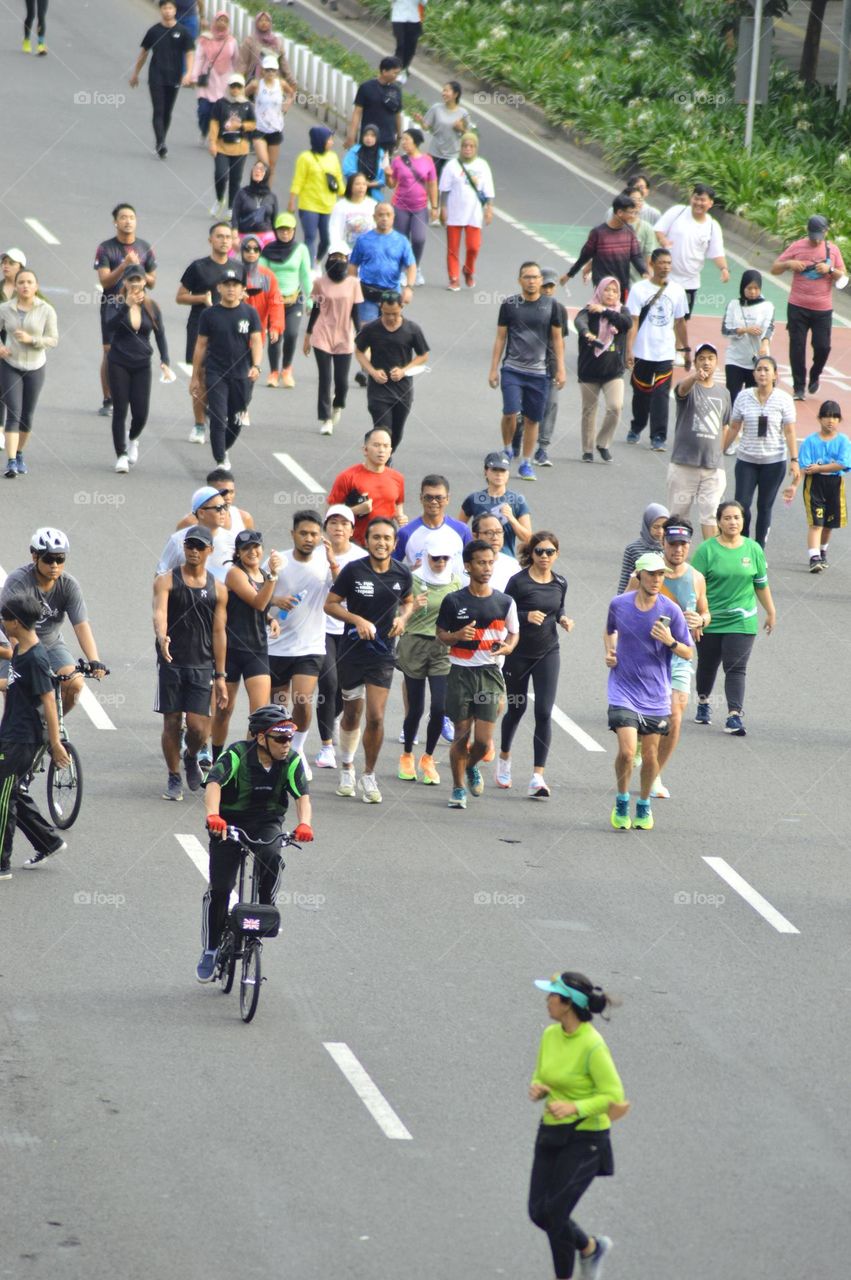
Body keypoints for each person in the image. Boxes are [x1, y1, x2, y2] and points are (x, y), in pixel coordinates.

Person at [197, 706, 313, 983]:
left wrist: (304, 823)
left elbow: (302, 797)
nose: (287, 744)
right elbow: (214, 784)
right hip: (228, 822)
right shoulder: (236, 754)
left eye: (290, 738)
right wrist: (213, 815)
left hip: (266, 821)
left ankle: (266, 906)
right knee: (221, 888)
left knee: (272, 854)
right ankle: (211, 949)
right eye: (280, 738)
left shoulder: (292, 761)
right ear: (261, 737)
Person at [528, 971, 626, 1280]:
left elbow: (613, 1096)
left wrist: (574, 1106)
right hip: (552, 1132)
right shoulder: (549, 1035)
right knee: (538, 1212)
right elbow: (542, 1074)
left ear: (568, 1004)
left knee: (556, 1215)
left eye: (552, 995)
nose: (547, 1000)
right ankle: (590, 1248)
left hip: (586, 1138)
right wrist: (538, 1088)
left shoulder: (593, 1046)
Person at [324, 517, 414, 803]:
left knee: (375, 716)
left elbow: (409, 601)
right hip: (351, 651)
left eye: (387, 538)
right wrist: (356, 619)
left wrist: (403, 618)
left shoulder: (401, 573)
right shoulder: (353, 571)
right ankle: (347, 766)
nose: (381, 542)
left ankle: (369, 775)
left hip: (383, 654)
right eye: (376, 537)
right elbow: (331, 604)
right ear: (367, 540)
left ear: (395, 543)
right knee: (352, 713)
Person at [605, 552, 692, 831]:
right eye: (652, 574)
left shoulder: (671, 611)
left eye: (661, 574)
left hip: (655, 693)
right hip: (622, 688)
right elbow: (609, 630)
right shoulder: (619, 605)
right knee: (628, 752)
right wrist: (610, 651)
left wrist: (669, 641)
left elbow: (688, 652)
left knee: (651, 755)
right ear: (639, 575)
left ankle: (643, 803)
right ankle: (621, 799)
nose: (657, 579)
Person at [626, 518, 709, 800]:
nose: (677, 550)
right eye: (672, 544)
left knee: (675, 716)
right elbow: (623, 607)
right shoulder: (644, 574)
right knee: (643, 715)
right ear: (663, 543)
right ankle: (639, 743)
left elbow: (705, 613)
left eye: (683, 544)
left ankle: (655, 773)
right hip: (645, 655)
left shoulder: (696, 578)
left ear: (689, 545)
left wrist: (701, 619)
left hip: (678, 656)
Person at [436, 540, 519, 810]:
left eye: (490, 562)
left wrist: (509, 646)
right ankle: (458, 788)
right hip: (460, 673)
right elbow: (441, 635)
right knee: (461, 734)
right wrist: (457, 636)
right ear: (468, 566)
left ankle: (472, 766)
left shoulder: (504, 602)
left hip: (489, 674)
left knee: (483, 742)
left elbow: (514, 633)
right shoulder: (453, 600)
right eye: (481, 563)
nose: (486, 568)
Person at [153, 525, 228, 801]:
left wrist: (220, 676)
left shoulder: (218, 589)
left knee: (198, 728)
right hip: (171, 662)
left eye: (199, 546)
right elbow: (159, 613)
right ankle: (174, 777)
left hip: (202, 664)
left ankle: (191, 755)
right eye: (189, 546)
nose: (193, 551)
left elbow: (219, 633)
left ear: (209, 550)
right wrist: (162, 637)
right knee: (172, 721)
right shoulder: (166, 581)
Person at [497, 531, 573, 799]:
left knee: (543, 711)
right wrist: (525, 615)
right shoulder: (517, 582)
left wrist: (563, 619)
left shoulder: (560, 582)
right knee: (517, 709)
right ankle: (504, 756)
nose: (544, 556)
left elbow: (558, 609)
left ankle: (537, 777)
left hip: (548, 653)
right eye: (539, 551)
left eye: (549, 552)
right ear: (531, 553)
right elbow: (500, 613)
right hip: (518, 654)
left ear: (556, 555)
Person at [690, 500, 776, 736]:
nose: (732, 522)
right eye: (727, 518)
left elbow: (760, 583)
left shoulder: (753, 549)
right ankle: (704, 702)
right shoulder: (707, 550)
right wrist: (696, 619)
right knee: (707, 664)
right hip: (710, 618)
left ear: (743, 521)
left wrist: (770, 611)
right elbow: (694, 587)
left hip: (742, 619)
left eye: (737, 518)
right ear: (718, 522)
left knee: (736, 667)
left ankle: (734, 715)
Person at [1, 529, 107, 716]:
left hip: (50, 643)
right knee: (17, 692)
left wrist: (94, 660)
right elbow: (12, 626)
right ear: (35, 556)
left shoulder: (69, 585)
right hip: (14, 641)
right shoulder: (18, 581)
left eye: (60, 559)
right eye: (49, 559)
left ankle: (49, 730)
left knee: (74, 683)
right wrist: (20, 657)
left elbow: (81, 625)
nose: (55, 565)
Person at [0, 593, 69, 879]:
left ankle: (2, 863)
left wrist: (55, 744)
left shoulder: (37, 659)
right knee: (12, 791)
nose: (2, 623)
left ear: (15, 622)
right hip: (11, 732)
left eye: (5, 618)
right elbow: (16, 686)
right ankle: (48, 841)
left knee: (2, 797)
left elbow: (49, 701)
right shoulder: (21, 651)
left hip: (24, 738)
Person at [268, 512, 338, 776]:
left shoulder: (325, 564)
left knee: (302, 698)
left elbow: (341, 591)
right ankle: (278, 752)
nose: (309, 539)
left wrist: (333, 563)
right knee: (278, 705)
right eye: (303, 533)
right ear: (293, 534)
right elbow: (258, 596)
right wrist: (276, 601)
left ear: (320, 536)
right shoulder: (277, 561)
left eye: (314, 534)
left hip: (310, 646)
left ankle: (297, 751)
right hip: (276, 645)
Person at [488, 262, 566, 481]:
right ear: (519, 280)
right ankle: (507, 448)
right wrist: (493, 369)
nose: (531, 281)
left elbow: (558, 339)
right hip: (512, 369)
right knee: (510, 412)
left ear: (541, 280)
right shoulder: (509, 305)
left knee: (533, 420)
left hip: (539, 373)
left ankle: (526, 463)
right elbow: (500, 338)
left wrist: (561, 369)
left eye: (535, 277)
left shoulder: (552, 306)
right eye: (527, 277)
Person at [396, 526, 461, 786]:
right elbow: (396, 617)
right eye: (436, 558)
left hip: (442, 648)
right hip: (414, 645)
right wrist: (411, 607)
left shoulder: (455, 581)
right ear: (426, 556)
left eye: (445, 558)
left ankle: (428, 757)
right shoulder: (410, 579)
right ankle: (407, 755)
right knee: (416, 708)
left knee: (439, 707)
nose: (440, 562)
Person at [210, 530, 280, 758]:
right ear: (238, 553)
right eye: (246, 548)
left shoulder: (263, 575)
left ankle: (249, 761)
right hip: (231, 650)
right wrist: (273, 576)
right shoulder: (235, 574)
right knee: (223, 710)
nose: (252, 552)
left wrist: (270, 619)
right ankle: (217, 756)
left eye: (256, 547)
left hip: (257, 650)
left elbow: (259, 609)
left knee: (259, 714)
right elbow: (259, 602)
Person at [723, 355, 799, 547]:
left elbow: (790, 431)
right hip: (746, 460)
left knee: (764, 507)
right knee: (742, 505)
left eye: (767, 370)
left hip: (773, 463)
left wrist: (794, 460)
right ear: (754, 373)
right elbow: (734, 427)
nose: (762, 373)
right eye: (759, 369)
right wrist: (719, 451)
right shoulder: (744, 396)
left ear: (775, 375)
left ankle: (758, 550)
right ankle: (745, 544)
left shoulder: (784, 399)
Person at [770, 214, 847, 401]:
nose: (815, 239)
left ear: (826, 231)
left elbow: (843, 278)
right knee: (797, 346)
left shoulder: (833, 250)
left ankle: (815, 373)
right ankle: (798, 387)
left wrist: (829, 270)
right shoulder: (797, 246)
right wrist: (789, 264)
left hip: (822, 309)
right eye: (812, 235)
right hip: (797, 305)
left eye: (818, 235)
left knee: (823, 347)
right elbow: (774, 268)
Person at [191, 267, 263, 467]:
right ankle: (220, 459)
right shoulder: (209, 314)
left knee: (237, 419)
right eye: (227, 285)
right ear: (219, 288)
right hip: (216, 373)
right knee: (218, 416)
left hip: (242, 375)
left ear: (242, 289)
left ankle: (224, 447)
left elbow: (257, 341)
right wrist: (195, 376)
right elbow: (201, 345)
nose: (231, 289)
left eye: (235, 285)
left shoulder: (250, 313)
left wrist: (256, 366)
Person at [314, 506, 368, 770]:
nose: (338, 527)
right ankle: (326, 746)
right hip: (320, 626)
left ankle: (332, 720)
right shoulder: (314, 553)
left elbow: (348, 593)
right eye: (333, 522)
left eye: (344, 523)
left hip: (349, 628)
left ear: (352, 529)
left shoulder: (361, 559)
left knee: (344, 686)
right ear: (326, 527)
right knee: (329, 681)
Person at [103, 266, 171, 474]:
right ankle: (121, 455)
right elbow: (109, 327)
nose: (135, 284)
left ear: (144, 282)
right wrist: (127, 306)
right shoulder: (114, 303)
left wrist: (165, 360)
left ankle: (133, 439)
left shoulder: (151, 306)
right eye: (130, 280)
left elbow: (160, 334)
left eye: (138, 280)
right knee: (121, 410)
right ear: (124, 282)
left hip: (142, 363)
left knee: (141, 413)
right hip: (118, 362)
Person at [94, 203, 157, 419]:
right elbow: (104, 281)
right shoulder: (105, 248)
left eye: (131, 216)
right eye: (123, 217)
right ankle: (108, 399)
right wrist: (124, 266)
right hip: (113, 303)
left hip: (139, 303)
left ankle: (129, 392)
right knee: (109, 350)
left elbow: (153, 282)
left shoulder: (145, 248)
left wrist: (139, 269)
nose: (127, 221)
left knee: (135, 345)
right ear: (115, 222)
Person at [625, 248, 689, 451]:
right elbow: (633, 321)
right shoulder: (639, 289)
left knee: (661, 394)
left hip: (665, 352)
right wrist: (629, 350)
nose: (666, 267)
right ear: (651, 264)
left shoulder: (677, 290)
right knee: (641, 393)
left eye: (669, 263)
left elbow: (680, 322)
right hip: (643, 351)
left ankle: (658, 436)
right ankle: (637, 425)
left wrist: (686, 349)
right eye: (662, 262)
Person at [667, 342, 730, 540]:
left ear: (717, 363)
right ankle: (676, 562)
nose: (706, 362)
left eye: (710, 358)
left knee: (711, 515)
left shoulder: (724, 393)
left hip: (712, 467)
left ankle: (710, 563)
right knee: (679, 515)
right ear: (695, 362)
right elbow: (681, 391)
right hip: (684, 463)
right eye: (701, 358)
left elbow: (725, 426)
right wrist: (694, 377)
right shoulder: (688, 387)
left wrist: (718, 454)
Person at [177, 222, 234, 443]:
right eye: (219, 236)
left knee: (223, 375)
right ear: (211, 240)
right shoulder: (198, 267)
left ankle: (214, 410)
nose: (224, 240)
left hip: (227, 330)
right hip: (200, 327)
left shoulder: (238, 268)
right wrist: (201, 298)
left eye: (228, 237)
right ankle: (199, 425)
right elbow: (180, 296)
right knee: (200, 375)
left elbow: (243, 296)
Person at [0, 269, 58, 478]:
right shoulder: (5, 309)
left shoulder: (46, 310)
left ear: (36, 286)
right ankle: (11, 461)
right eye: (21, 282)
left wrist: (32, 340)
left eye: (29, 282)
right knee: (13, 412)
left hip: (35, 367)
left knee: (27, 416)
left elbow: (53, 339)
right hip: (10, 365)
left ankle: (20, 453)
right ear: (15, 286)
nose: (25, 285)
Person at [354, 292, 430, 451]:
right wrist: (372, 372)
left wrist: (404, 370)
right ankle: (383, 463)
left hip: (402, 389)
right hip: (378, 390)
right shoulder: (371, 329)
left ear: (402, 307)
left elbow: (423, 356)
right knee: (382, 430)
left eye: (395, 313)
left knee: (396, 433)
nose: (390, 317)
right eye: (386, 313)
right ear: (380, 308)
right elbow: (359, 352)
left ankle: (387, 457)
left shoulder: (412, 329)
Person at [782, 400, 851, 572]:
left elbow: (843, 463)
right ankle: (814, 557)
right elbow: (805, 468)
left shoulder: (843, 440)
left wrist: (820, 467)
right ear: (819, 419)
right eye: (827, 416)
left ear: (839, 420)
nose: (830, 420)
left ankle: (822, 551)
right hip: (815, 484)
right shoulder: (810, 442)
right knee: (816, 523)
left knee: (829, 525)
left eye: (835, 417)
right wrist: (794, 486)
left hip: (835, 484)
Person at [304, 242, 363, 435]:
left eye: (342, 258)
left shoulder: (354, 283)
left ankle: (338, 405)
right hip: (323, 333)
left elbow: (356, 311)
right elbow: (316, 308)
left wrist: (360, 336)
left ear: (347, 260)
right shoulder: (320, 282)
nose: (338, 261)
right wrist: (308, 334)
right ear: (328, 259)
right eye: (334, 257)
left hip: (344, 334)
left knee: (342, 381)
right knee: (325, 378)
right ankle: (326, 418)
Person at [573, 276, 631, 464]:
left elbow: (626, 324)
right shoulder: (589, 310)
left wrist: (606, 311)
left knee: (615, 406)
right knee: (589, 410)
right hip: (589, 370)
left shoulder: (622, 312)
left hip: (613, 372)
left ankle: (603, 443)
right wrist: (587, 334)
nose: (610, 294)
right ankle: (587, 450)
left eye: (615, 291)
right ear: (599, 291)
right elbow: (579, 322)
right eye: (607, 290)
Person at [130, 1, 195, 159]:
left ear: (175, 10)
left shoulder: (183, 31)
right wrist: (135, 74)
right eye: (164, 8)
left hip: (174, 76)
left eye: (170, 8)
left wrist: (188, 73)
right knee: (158, 109)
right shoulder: (153, 31)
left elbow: (189, 53)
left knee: (167, 111)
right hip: (156, 75)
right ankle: (160, 143)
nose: (167, 11)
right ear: (160, 10)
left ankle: (162, 140)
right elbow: (144, 53)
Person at [653, 183, 729, 318]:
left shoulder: (712, 226)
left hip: (690, 283)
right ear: (691, 198)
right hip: (665, 277)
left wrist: (723, 269)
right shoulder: (677, 211)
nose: (698, 203)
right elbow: (659, 229)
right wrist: (663, 240)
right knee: (659, 317)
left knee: (681, 320)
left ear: (710, 203)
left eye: (703, 200)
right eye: (696, 198)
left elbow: (717, 253)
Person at [327, 426, 407, 545]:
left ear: (390, 451)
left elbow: (398, 503)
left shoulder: (398, 478)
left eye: (385, 446)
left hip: (384, 544)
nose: (381, 450)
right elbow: (330, 513)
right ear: (365, 450)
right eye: (376, 445)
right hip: (356, 544)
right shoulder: (347, 477)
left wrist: (400, 515)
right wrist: (356, 510)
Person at [261, 212, 313, 388]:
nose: (285, 233)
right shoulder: (267, 251)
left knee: (291, 334)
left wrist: (310, 298)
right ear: (276, 231)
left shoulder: (301, 250)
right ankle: (274, 372)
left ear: (294, 231)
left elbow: (305, 275)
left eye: (288, 230)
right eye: (281, 230)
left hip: (294, 299)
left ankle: (287, 370)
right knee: (275, 337)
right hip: (274, 301)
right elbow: (261, 276)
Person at [438, 132, 494, 291]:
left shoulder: (482, 165)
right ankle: (454, 278)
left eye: (471, 146)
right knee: (453, 248)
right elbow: (445, 190)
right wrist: (443, 208)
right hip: (455, 212)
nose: (468, 149)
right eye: (465, 146)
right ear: (460, 147)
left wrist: (489, 208)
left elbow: (488, 190)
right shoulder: (452, 165)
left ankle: (468, 271)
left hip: (474, 214)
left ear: (476, 148)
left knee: (473, 247)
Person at [563, 194, 646, 298]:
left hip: (622, 286)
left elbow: (636, 256)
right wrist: (570, 274)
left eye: (636, 213)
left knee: (621, 313)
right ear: (619, 212)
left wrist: (644, 272)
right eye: (631, 213)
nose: (634, 216)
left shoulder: (629, 231)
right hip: (602, 286)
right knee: (602, 312)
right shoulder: (598, 233)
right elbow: (585, 256)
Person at [348, 203, 416, 325]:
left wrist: (409, 288)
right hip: (368, 293)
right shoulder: (363, 240)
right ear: (374, 217)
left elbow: (411, 265)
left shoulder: (402, 241)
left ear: (393, 217)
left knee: (392, 328)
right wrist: (353, 287)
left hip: (392, 294)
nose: (384, 218)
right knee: (367, 329)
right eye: (380, 215)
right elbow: (353, 265)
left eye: (388, 215)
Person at [386, 128, 438, 285]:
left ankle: (415, 268)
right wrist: (388, 175)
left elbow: (433, 184)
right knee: (401, 240)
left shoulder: (427, 161)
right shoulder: (397, 161)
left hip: (420, 207)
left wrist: (434, 206)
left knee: (419, 239)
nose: (403, 143)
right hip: (400, 206)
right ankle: (402, 271)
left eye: (406, 139)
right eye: (402, 140)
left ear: (415, 142)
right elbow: (392, 184)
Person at [288, 126, 345, 267]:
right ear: (320, 140)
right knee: (310, 237)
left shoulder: (333, 157)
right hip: (309, 205)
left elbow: (338, 178)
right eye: (329, 139)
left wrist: (346, 196)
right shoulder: (305, 158)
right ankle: (309, 267)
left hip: (328, 206)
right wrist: (292, 200)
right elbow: (298, 180)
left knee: (327, 239)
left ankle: (316, 261)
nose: (332, 142)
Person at [459, 451, 532, 558]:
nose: (499, 474)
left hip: (506, 559)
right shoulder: (474, 499)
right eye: (494, 469)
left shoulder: (517, 500)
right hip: (479, 559)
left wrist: (511, 518)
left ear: (508, 473)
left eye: (503, 470)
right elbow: (458, 529)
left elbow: (528, 538)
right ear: (486, 471)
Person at [394, 473, 471, 571]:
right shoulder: (405, 533)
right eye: (428, 497)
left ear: (447, 499)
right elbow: (391, 567)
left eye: (439, 498)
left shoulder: (462, 530)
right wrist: (411, 571)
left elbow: (473, 564)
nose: (434, 502)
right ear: (421, 498)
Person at [721, 269, 775, 405]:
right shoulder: (734, 305)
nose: (752, 292)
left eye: (756, 288)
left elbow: (769, 327)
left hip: (757, 362)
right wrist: (745, 330)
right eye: (749, 288)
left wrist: (765, 343)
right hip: (735, 360)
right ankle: (730, 425)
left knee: (756, 401)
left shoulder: (767, 306)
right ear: (742, 287)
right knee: (732, 399)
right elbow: (725, 330)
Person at [158, 485, 232, 581]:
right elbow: (161, 574)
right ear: (201, 513)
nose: (223, 512)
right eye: (218, 508)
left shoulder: (233, 540)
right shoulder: (177, 540)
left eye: (224, 506)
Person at [208, 72, 256, 219]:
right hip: (222, 145)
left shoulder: (247, 105)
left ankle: (231, 208)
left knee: (236, 178)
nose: (235, 89)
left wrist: (240, 125)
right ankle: (220, 198)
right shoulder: (220, 103)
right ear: (228, 87)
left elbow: (253, 124)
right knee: (220, 174)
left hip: (240, 147)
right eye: (233, 86)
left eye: (238, 87)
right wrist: (212, 142)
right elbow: (214, 123)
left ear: (242, 88)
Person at [246, 52, 294, 183]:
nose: (270, 73)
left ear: (277, 71)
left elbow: (292, 94)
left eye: (273, 70)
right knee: (264, 164)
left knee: (271, 167)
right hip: (259, 129)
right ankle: (255, 189)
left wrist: (287, 104)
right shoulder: (256, 84)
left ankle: (265, 196)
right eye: (267, 70)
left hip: (275, 129)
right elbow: (243, 94)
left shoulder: (282, 84)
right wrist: (249, 107)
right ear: (262, 70)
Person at [193, 10, 239, 140]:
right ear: (215, 21)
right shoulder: (206, 38)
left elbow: (236, 61)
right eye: (220, 20)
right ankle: (204, 129)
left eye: (225, 21)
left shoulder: (232, 41)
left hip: (224, 82)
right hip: (208, 81)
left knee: (220, 113)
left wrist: (238, 80)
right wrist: (194, 76)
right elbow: (199, 58)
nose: (222, 23)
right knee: (204, 111)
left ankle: (215, 136)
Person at [239, 236, 284, 368]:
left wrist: (275, 326)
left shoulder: (266, 276)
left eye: (256, 249)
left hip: (257, 330)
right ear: (242, 251)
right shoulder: (234, 272)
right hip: (234, 326)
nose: (251, 252)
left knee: (251, 369)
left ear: (260, 252)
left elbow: (276, 303)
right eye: (247, 249)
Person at [175, 468, 255, 538]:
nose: (227, 497)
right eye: (223, 492)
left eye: (231, 492)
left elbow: (252, 548)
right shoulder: (189, 523)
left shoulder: (244, 518)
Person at [347, 57, 403, 154]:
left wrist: (399, 135)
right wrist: (351, 137)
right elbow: (357, 113)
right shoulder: (366, 88)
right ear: (384, 71)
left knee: (384, 168)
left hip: (388, 140)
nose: (397, 76)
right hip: (369, 138)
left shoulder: (396, 90)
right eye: (395, 73)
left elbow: (397, 113)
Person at [414, 81, 469, 181]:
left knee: (448, 183)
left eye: (447, 91)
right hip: (435, 152)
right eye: (443, 90)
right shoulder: (436, 108)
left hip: (453, 154)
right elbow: (426, 127)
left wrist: (461, 129)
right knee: (433, 182)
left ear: (456, 94)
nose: (443, 93)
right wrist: (421, 120)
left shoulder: (463, 113)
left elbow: (468, 135)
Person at [616, 502, 668, 594]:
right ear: (647, 526)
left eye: (664, 527)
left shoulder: (669, 549)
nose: (660, 531)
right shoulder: (633, 549)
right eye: (656, 527)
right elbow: (624, 582)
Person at [237, 9, 295, 88]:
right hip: (254, 81)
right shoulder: (250, 41)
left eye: (267, 20)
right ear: (256, 23)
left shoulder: (276, 42)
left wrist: (291, 80)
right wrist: (238, 79)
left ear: (270, 23)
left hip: (273, 81)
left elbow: (283, 63)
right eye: (261, 20)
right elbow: (242, 62)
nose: (264, 23)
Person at [469, 513, 521, 592]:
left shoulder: (513, 565)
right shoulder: (460, 563)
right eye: (489, 533)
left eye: (499, 532)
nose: (495, 537)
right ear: (475, 536)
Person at [329, 173, 378, 254]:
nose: (361, 187)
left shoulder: (372, 204)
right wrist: (337, 249)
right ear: (350, 186)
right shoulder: (340, 206)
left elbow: (377, 227)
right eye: (357, 184)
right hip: (346, 250)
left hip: (369, 250)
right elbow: (335, 229)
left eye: (364, 184)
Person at [231, 160, 279, 238]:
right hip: (245, 235)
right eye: (255, 168)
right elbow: (235, 215)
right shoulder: (242, 193)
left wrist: (277, 240)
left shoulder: (271, 197)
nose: (258, 171)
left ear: (266, 174)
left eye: (261, 169)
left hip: (266, 236)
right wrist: (234, 231)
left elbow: (275, 221)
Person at [342, 125, 390, 203]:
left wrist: (370, 184)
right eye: (366, 135)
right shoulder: (354, 151)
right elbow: (348, 170)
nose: (369, 138)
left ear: (377, 138)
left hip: (374, 196)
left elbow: (384, 178)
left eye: (372, 136)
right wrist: (362, 183)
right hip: (355, 193)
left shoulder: (381, 154)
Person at [390, 0, 423, 82]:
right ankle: (396, 69)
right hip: (398, 18)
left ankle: (404, 68)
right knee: (401, 45)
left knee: (411, 47)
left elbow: (423, 3)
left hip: (414, 19)